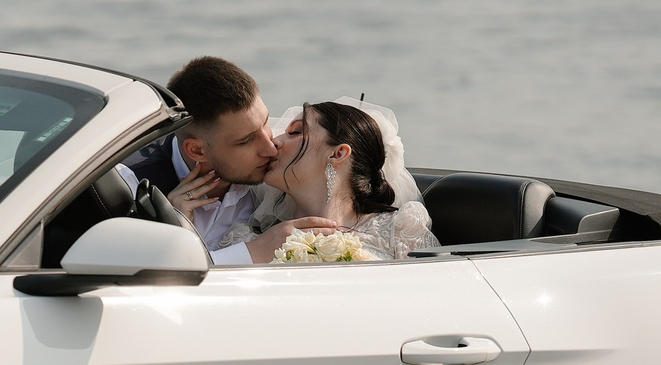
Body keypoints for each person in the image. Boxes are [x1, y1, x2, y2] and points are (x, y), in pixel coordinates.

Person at [131, 56, 340, 267]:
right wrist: (174, 231)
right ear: (197, 150)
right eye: (247, 141)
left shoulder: (280, 172)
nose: (270, 147)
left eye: (266, 122)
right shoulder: (131, 185)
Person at [257, 99, 438, 260]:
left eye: (295, 132)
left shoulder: (399, 231)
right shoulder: (253, 242)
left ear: (338, 153)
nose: (274, 142)